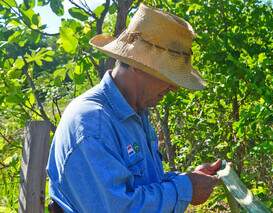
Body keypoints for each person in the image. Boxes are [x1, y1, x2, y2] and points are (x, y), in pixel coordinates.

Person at [47, 3, 222, 213]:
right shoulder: (93, 124)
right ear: (138, 66)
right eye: (168, 77)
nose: (174, 88)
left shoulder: (134, 112)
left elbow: (139, 186)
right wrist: (184, 189)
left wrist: (188, 181)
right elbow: (118, 208)